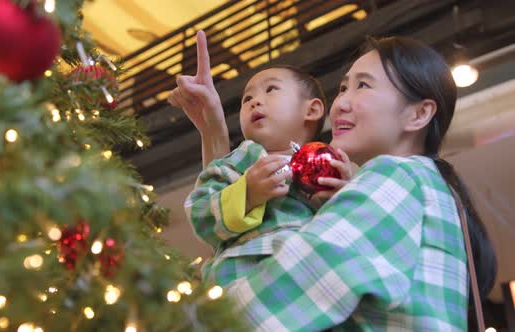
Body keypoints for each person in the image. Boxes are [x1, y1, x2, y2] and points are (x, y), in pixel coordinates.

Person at [172, 33, 497, 331]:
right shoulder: (425, 187)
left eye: (363, 86)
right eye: (342, 88)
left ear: (418, 114)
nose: (340, 103)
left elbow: (294, 286)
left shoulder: (399, 177)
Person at [169, 31, 355, 287]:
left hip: (305, 280)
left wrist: (341, 195)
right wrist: (247, 194)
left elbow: (349, 232)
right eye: (247, 99)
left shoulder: (328, 161)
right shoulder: (242, 159)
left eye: (271, 90)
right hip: (239, 278)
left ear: (311, 110)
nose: (255, 101)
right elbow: (201, 216)